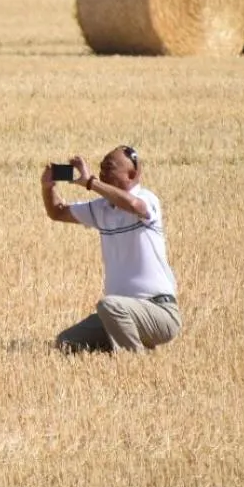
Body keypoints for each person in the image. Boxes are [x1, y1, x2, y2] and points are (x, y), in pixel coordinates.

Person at [42, 145, 181, 354]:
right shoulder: (101, 208)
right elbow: (57, 213)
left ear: (132, 174)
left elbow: (135, 206)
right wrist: (48, 187)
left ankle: (134, 365)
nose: (102, 173)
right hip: (119, 314)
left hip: (160, 311)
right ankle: (132, 345)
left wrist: (91, 183)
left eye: (109, 167)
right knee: (67, 343)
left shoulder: (147, 198)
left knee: (110, 306)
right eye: (100, 168)